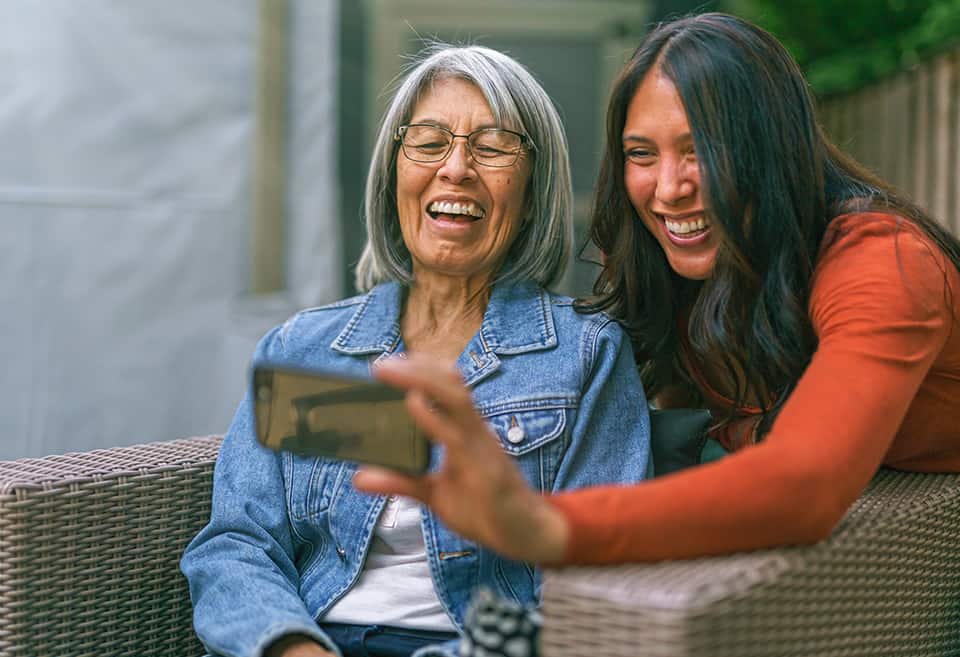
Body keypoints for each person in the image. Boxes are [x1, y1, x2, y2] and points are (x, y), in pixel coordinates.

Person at [354, 12, 960, 570]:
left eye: (702, 151)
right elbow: (256, 529)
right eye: (641, 154)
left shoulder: (883, 263)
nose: (668, 188)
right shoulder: (677, 273)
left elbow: (803, 485)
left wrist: (544, 525)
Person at [179, 44, 650, 657]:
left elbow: (592, 574)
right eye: (428, 142)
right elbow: (238, 545)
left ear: (533, 190)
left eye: (493, 145)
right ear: (393, 172)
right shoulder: (307, 349)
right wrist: (293, 649)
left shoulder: (585, 355)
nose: (455, 168)